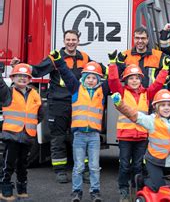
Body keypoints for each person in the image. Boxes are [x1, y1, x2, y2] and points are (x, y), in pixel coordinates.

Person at [11, 30, 97, 183]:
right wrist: (20, 66)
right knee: (58, 136)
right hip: (58, 102)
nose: (71, 42)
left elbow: (96, 70)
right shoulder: (55, 57)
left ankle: (83, 171)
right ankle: (60, 170)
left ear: (78, 41)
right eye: (68, 39)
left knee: (79, 136)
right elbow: (37, 70)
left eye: (74, 39)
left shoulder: (84, 57)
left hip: (78, 104)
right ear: (64, 41)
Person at [108, 51, 170, 202]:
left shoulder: (147, 93)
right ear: (126, 80)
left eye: (137, 78)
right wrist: (112, 64)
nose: (134, 81)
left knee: (137, 166)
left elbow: (157, 84)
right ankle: (123, 190)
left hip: (141, 136)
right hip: (125, 136)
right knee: (124, 165)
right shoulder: (121, 92)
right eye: (131, 78)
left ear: (141, 80)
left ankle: (137, 191)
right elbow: (113, 81)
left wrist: (165, 70)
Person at [49, 50, 109, 202]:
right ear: (83, 78)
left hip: (94, 137)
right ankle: (77, 192)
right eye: (87, 77)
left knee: (94, 167)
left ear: (98, 80)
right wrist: (58, 60)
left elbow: (113, 79)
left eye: (93, 78)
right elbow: (66, 73)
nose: (90, 80)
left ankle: (95, 192)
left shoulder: (102, 91)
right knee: (78, 167)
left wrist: (115, 64)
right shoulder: (76, 89)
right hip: (79, 136)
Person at [0, 63, 43, 200]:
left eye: (25, 77)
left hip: (27, 136)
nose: (22, 79)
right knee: (8, 164)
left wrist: (32, 124)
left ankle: (21, 189)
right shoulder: (8, 93)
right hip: (12, 135)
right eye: (19, 76)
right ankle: (5, 189)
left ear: (30, 80)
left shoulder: (34, 94)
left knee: (23, 165)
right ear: (12, 78)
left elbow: (40, 113)